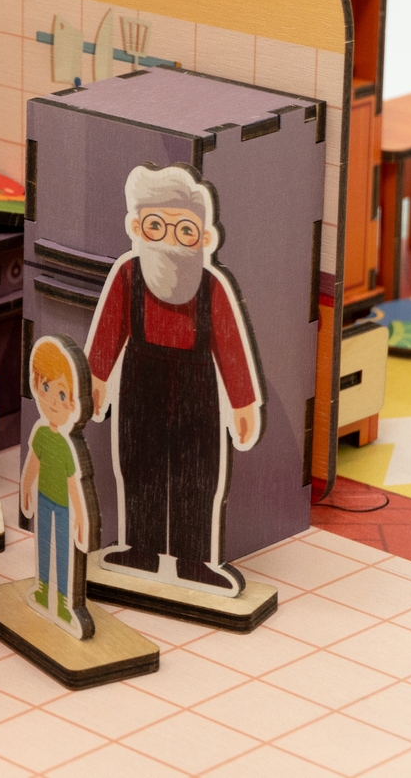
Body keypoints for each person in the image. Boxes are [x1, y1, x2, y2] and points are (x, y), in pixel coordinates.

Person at [86, 163, 264, 596]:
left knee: (197, 471)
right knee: (138, 463)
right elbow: (109, 329)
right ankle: (140, 549)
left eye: (183, 230)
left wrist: (243, 403)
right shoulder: (128, 274)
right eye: (156, 226)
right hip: (140, 381)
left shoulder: (212, 287)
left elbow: (231, 345)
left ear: (204, 238)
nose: (168, 239)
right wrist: (96, 378)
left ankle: (195, 560)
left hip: (197, 387)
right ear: (137, 227)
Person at [20, 334, 97, 638]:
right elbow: (33, 464)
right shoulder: (41, 434)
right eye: (46, 387)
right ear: (36, 384)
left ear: (75, 402)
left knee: (64, 550)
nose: (52, 401)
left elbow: (75, 482)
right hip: (43, 498)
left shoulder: (67, 445)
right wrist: (26, 488)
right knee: (44, 544)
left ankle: (65, 601)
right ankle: (42, 588)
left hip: (64, 506)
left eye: (62, 394)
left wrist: (80, 516)